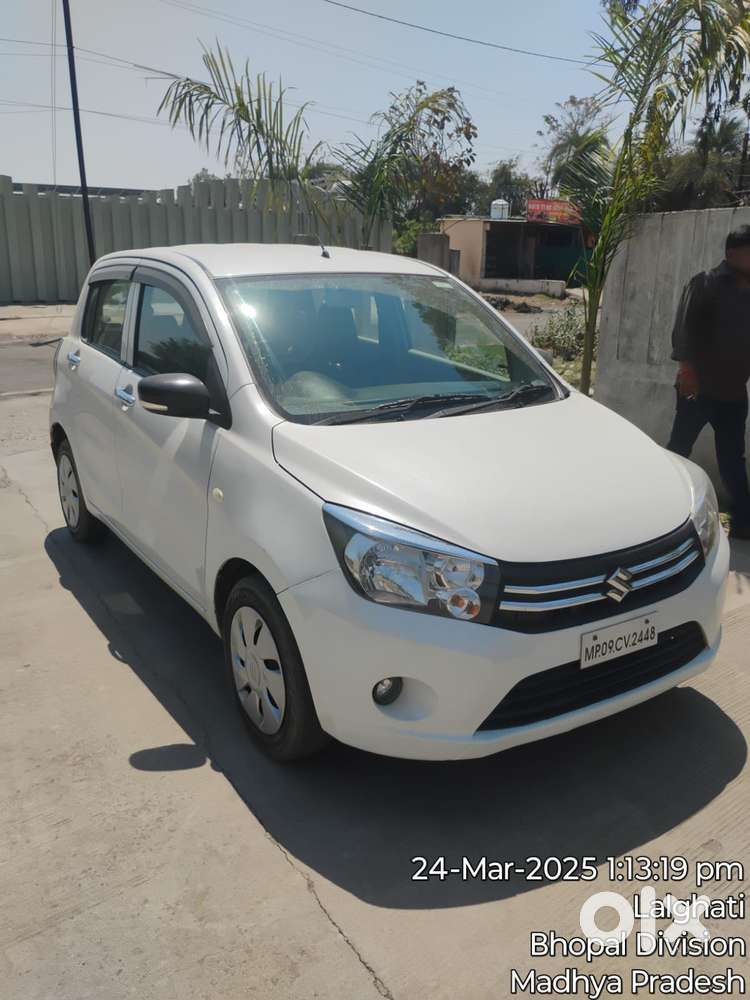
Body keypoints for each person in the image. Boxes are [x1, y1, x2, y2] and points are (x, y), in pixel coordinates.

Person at [667, 226, 750, 540]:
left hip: (732, 392)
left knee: (732, 459)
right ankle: (663, 510)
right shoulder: (706, 283)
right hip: (697, 389)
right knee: (679, 450)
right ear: (733, 254)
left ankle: (743, 524)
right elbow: (683, 329)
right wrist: (688, 373)